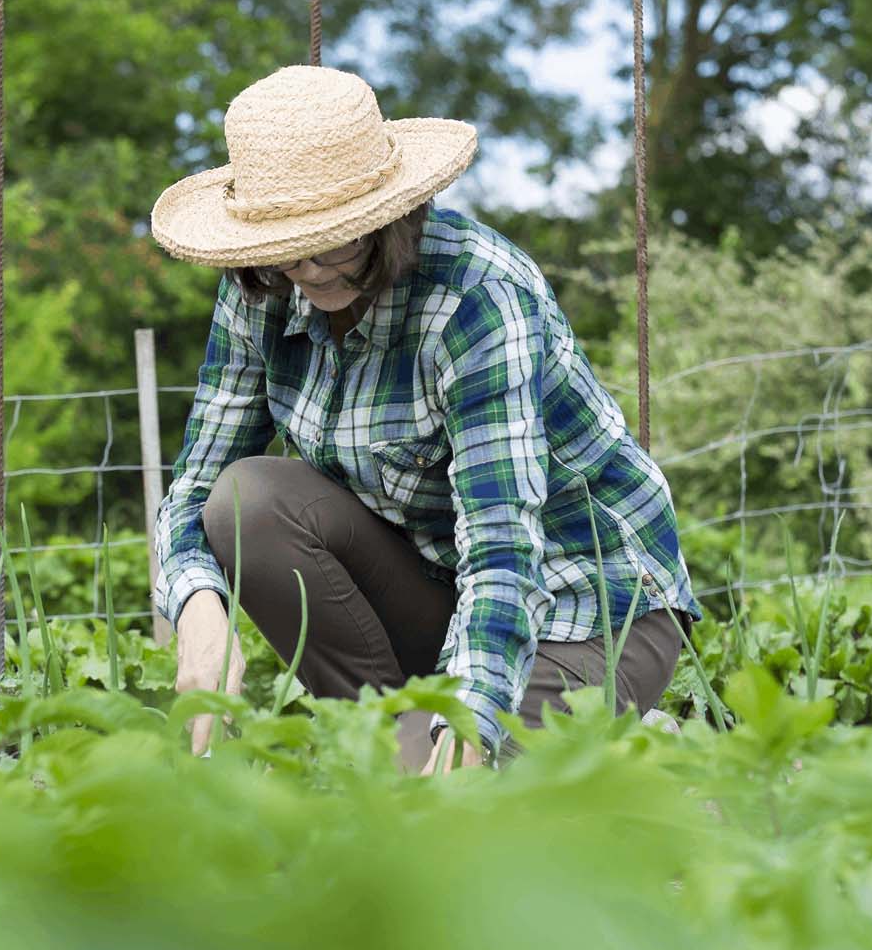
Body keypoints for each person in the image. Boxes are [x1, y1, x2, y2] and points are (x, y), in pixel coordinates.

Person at [146, 64, 702, 772]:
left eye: (333, 242)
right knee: (249, 502)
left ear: (390, 218)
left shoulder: (477, 299)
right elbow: (198, 489)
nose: (308, 271)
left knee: (429, 805)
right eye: (285, 250)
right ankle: (396, 744)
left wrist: (472, 720)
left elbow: (504, 547)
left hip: (584, 608)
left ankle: (600, 736)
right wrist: (195, 603)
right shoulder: (264, 282)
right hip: (437, 587)